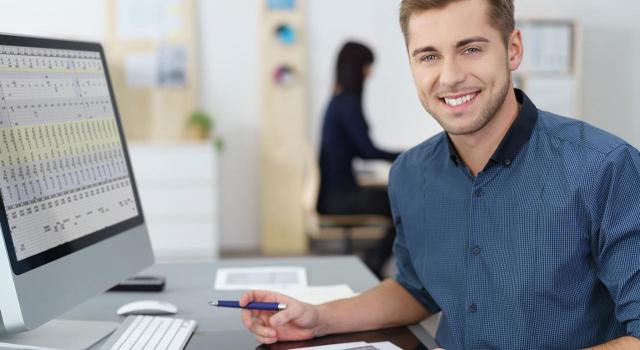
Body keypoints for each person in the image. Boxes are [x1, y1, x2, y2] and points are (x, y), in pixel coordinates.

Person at [241, 0, 640, 348]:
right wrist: (318, 318)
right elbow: (414, 290)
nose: (449, 76)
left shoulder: (604, 168)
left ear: (513, 49)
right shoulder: (410, 175)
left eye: (470, 49)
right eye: (428, 56)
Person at [316, 41, 400, 278]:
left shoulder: (338, 100)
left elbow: (361, 152)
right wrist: (409, 155)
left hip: (335, 193)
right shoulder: (348, 105)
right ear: (357, 68)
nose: (370, 72)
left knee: (399, 203)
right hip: (339, 198)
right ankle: (373, 260)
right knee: (407, 205)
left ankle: (374, 258)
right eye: (367, 66)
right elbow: (368, 151)